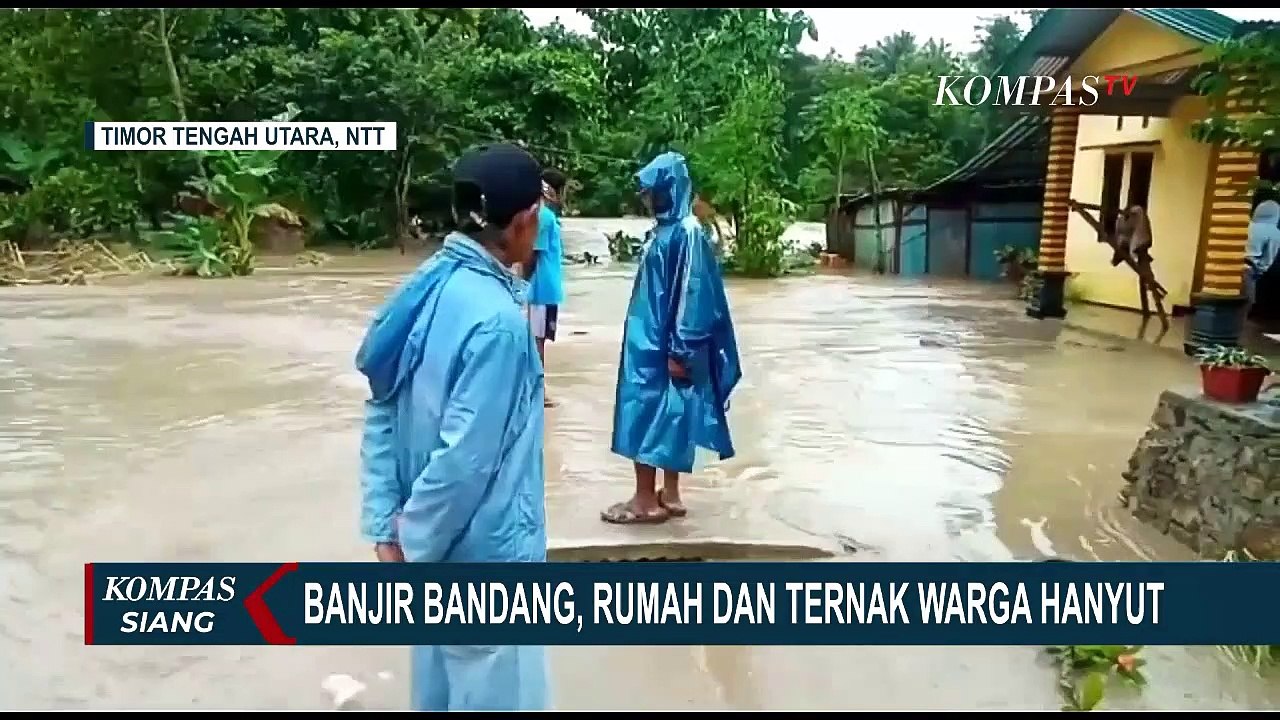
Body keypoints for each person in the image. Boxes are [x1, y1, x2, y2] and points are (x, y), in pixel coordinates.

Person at [354, 142, 549, 711]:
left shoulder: (427, 291)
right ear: (523, 221)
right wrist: (412, 540)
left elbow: (383, 407)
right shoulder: (498, 324)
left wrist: (390, 529)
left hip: (429, 552)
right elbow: (465, 462)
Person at [602, 151, 742, 525]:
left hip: (660, 343)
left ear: (668, 189)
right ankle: (670, 494)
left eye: (650, 191)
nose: (645, 198)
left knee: (645, 412)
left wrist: (681, 349)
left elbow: (693, 295)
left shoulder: (686, 232)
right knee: (671, 411)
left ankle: (645, 500)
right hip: (650, 339)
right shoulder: (668, 230)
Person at [526, 168, 568, 407]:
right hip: (540, 289)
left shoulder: (547, 216)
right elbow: (533, 253)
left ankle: (534, 389)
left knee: (538, 340)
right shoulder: (544, 217)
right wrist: (522, 284)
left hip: (546, 288)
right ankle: (537, 391)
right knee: (537, 342)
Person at [1246, 199, 1280, 314]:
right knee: (1245, 305)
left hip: (1229, 265)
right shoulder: (1274, 232)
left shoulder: (1247, 225)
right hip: (1249, 269)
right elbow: (1268, 260)